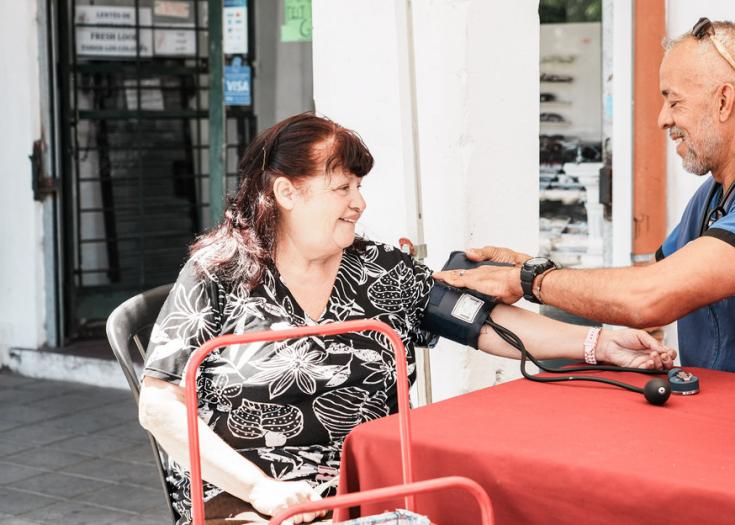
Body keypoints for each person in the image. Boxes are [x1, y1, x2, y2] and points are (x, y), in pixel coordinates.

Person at [137, 113, 673, 525]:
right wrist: (259, 489)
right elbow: (160, 404)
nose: (359, 203)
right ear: (286, 192)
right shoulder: (221, 272)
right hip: (249, 499)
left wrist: (599, 343)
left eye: (359, 186)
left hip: (371, 491)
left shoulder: (378, 270)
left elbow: (485, 323)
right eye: (342, 187)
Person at [435, 19, 735, 378]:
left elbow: (652, 298)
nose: (660, 118)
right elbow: (656, 276)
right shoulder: (716, 193)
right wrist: (530, 268)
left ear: (724, 101)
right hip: (728, 413)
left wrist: (531, 280)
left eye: (673, 100)